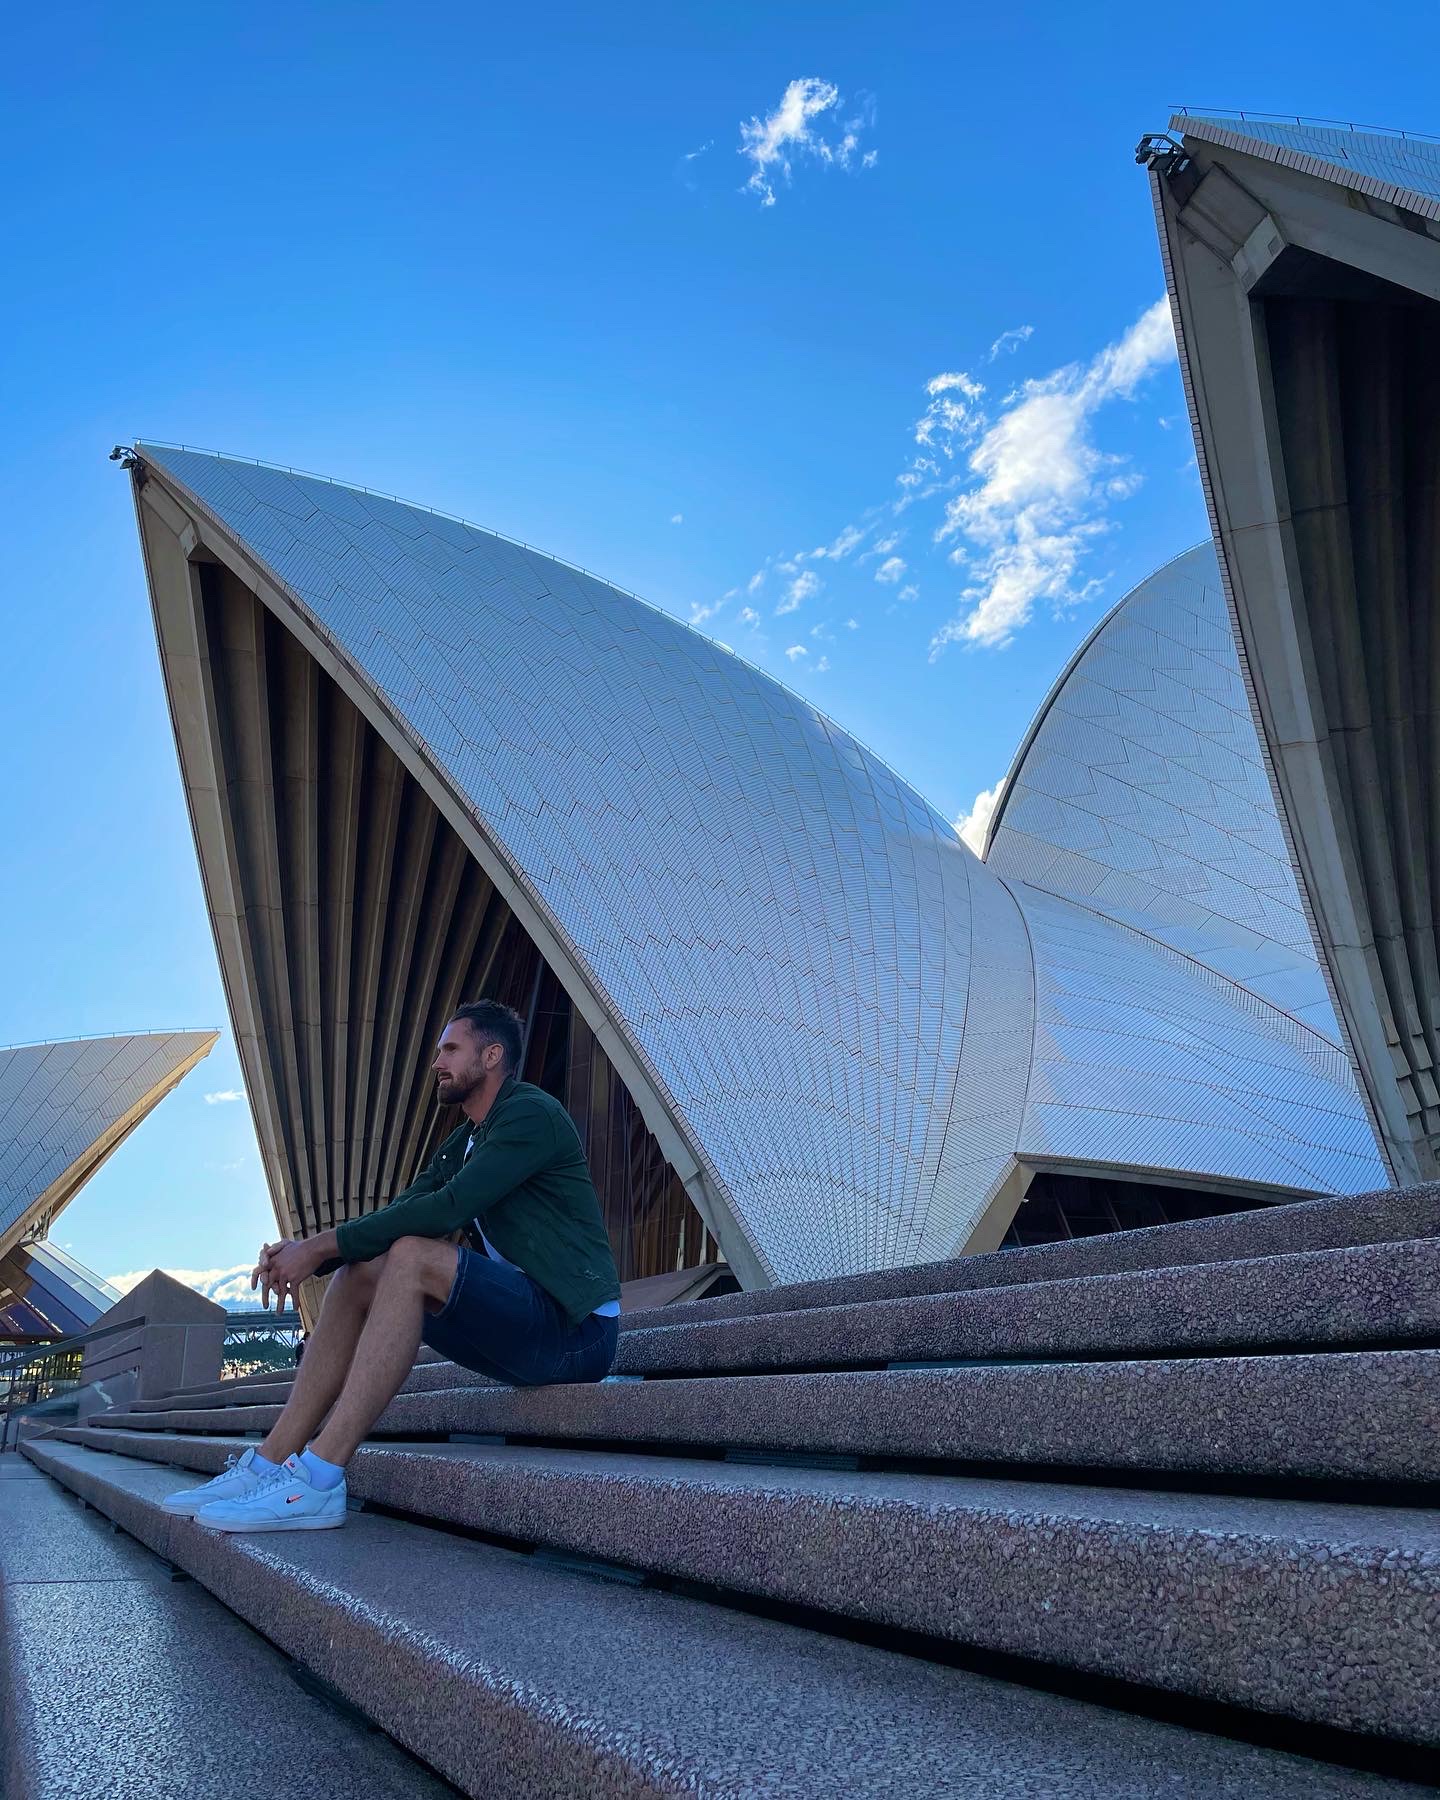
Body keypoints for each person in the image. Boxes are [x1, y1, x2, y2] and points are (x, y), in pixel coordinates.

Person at [162, 999, 621, 1531]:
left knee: (410, 1255)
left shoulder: (530, 1114)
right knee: (361, 1271)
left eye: (451, 1049)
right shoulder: (464, 1142)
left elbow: (445, 1210)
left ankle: (319, 1479)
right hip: (523, 1329)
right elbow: (402, 1211)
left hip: (577, 1333)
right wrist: (308, 1250)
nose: (437, 1062)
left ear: (492, 1055)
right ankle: (268, 1463)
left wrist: (318, 1247)